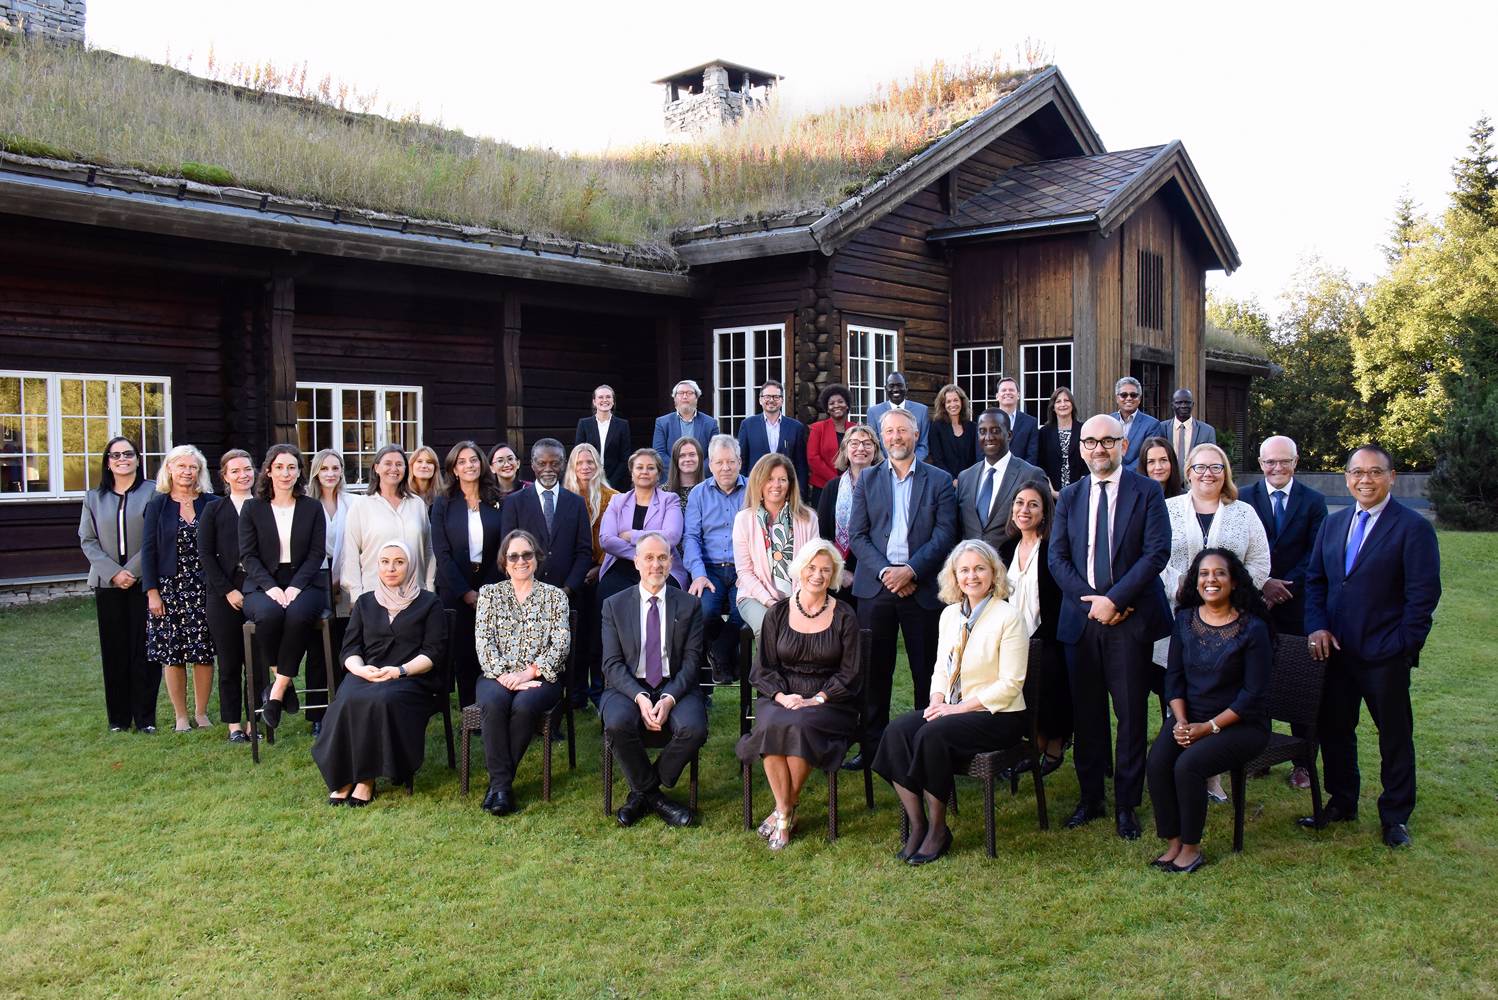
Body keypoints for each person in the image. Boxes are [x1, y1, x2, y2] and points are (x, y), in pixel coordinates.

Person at [1305, 444, 1441, 849]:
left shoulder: (1413, 528)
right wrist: (1316, 627)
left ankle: (1395, 815)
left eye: (1375, 472)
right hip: (1335, 652)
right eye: (1357, 472)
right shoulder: (1333, 524)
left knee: (1394, 735)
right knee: (1336, 731)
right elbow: (1316, 582)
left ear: (1391, 477)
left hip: (1385, 656)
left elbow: (1423, 597)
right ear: (1346, 477)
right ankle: (1342, 801)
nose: (1365, 479)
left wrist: (1402, 645)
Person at [1048, 414, 1171, 840]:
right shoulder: (1069, 497)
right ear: (1081, 448)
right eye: (1091, 442)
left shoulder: (1148, 491)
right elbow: (1057, 558)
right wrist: (1092, 604)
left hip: (1130, 620)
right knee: (1087, 715)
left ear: (1123, 445)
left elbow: (1156, 553)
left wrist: (1115, 600)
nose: (1099, 448)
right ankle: (1091, 798)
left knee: (1131, 715)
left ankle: (1127, 804)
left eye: (1107, 441)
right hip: (1081, 624)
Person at [873, 539, 1030, 865]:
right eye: (964, 570)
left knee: (933, 735)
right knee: (898, 730)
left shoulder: (1008, 616)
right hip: (953, 709)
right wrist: (936, 701)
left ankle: (939, 829)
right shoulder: (949, 616)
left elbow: (1010, 684)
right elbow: (942, 669)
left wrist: (955, 710)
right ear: (954, 577)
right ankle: (919, 825)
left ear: (993, 573)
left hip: (998, 715)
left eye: (979, 569)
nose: (972, 576)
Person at [1155, 443, 1271, 804]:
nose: (1207, 474)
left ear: (1226, 473)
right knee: (1178, 691)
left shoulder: (1244, 512)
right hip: (1178, 614)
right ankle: (1181, 763)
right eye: (1199, 467)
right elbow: (1155, 555)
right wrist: (1185, 589)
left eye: (1215, 467)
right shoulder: (1167, 509)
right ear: (1187, 472)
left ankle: (1212, 774)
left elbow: (1259, 561)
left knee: (1222, 691)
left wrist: (1228, 596)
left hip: (1231, 623)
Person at [1145, 548, 1272, 873]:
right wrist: (1181, 719)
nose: (1210, 579)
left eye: (1219, 573)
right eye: (1203, 573)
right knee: (1159, 761)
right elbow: (1173, 678)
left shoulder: (1253, 629)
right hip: (1190, 719)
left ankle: (1192, 848)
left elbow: (1252, 695)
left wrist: (1210, 727)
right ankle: (1173, 842)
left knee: (1188, 765)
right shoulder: (1185, 620)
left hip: (1241, 725)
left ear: (1234, 581)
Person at [846, 406, 959, 769]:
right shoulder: (868, 480)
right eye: (889, 432)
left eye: (902, 431)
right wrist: (887, 573)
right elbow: (858, 536)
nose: (896, 437)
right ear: (883, 438)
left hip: (922, 588)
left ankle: (929, 745)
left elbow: (945, 535)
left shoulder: (939, 480)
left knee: (928, 671)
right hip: (876, 589)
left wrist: (910, 571)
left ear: (915, 435)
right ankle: (872, 747)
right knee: (873, 673)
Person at [736, 540, 862, 850]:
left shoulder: (845, 615)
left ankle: (782, 813)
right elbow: (763, 668)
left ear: (834, 576)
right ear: (799, 570)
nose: (817, 575)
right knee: (772, 724)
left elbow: (850, 673)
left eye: (825, 570)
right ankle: (786, 810)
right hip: (781, 695)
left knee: (802, 724)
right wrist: (781, 696)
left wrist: (817, 698)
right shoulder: (777, 613)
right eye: (811, 568)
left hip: (829, 701)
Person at [312, 541, 448, 806]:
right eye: (385, 562)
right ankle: (344, 775)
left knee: (382, 700)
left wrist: (399, 671)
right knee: (346, 699)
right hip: (367, 673)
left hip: (411, 677)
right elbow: (350, 648)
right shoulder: (365, 603)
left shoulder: (429, 603)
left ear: (410, 565)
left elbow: (433, 653)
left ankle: (367, 778)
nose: (391, 568)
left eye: (399, 562)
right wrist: (361, 669)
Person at [600, 532, 708, 828]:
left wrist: (669, 697)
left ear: (671, 561)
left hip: (675, 685)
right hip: (627, 687)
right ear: (636, 562)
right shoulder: (614, 605)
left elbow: (691, 661)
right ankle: (655, 797)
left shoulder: (688, 605)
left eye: (662, 557)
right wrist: (639, 696)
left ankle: (642, 793)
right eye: (648, 557)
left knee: (694, 728)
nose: (656, 564)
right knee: (617, 724)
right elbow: (611, 664)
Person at [1239, 435, 1328, 790]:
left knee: (1298, 683)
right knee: (1255, 680)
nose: (1277, 468)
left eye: (1284, 462)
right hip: (1254, 605)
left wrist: (1282, 586)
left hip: (1296, 605)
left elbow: (1317, 553)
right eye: (1270, 462)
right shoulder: (1243, 499)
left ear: (1295, 461)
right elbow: (1238, 550)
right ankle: (1257, 755)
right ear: (1260, 463)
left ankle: (1303, 762)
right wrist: (1262, 584)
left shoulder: (1314, 501)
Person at [473, 529, 571, 816]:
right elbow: (483, 640)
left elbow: (561, 643)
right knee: (494, 702)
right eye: (513, 556)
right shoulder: (489, 594)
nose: (520, 561)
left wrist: (528, 674)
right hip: (496, 675)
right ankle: (502, 786)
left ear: (536, 558)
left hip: (541, 677)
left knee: (525, 706)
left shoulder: (554, 597)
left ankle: (498, 786)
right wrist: (505, 676)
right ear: (504, 562)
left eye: (526, 554)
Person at [239, 444, 328, 732]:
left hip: (305, 581)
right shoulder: (252, 508)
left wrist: (296, 587)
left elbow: (317, 554)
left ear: (299, 471)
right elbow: (248, 555)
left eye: (292, 467)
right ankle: (284, 682)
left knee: (298, 615)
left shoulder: (312, 507)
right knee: (268, 615)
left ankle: (275, 693)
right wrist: (270, 587)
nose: (285, 473)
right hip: (262, 582)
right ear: (268, 470)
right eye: (279, 467)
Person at [79, 437, 158, 732]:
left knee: (145, 652)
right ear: (107, 462)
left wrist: (132, 571)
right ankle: (118, 720)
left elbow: (155, 538)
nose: (122, 459)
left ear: (138, 459)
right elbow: (87, 540)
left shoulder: (153, 493)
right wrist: (114, 572)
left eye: (128, 454)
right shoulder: (93, 498)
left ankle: (146, 719)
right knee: (115, 652)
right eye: (115, 455)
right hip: (108, 584)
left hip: (143, 583)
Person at [141, 444, 218, 733]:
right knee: (172, 654)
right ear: (170, 469)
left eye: (193, 467)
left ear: (200, 472)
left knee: (202, 652)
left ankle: (200, 713)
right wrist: (151, 592)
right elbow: (148, 551)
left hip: (204, 587)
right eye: (181, 466)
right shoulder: (158, 505)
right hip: (168, 588)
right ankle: (181, 716)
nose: (187, 472)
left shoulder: (211, 503)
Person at [998, 484, 1070, 774]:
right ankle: (1034, 743)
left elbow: (1059, 600)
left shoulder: (1054, 548)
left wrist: (1035, 638)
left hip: (1048, 636)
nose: (1024, 510)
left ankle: (1053, 744)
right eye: (1019, 503)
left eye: (1033, 505)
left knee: (1048, 685)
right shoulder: (1005, 549)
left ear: (1044, 513)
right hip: (1013, 636)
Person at [430, 440, 505, 707]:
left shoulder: (496, 499)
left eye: (473, 459)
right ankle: (469, 710)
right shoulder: (443, 503)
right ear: (454, 468)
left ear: (481, 463)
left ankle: (492, 706)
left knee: (490, 648)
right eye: (462, 462)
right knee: (462, 651)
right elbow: (442, 552)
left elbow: (503, 547)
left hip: (491, 583)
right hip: (454, 586)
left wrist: (485, 591)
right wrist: (465, 592)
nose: (468, 465)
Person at [199, 449, 262, 741]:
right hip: (222, 591)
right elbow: (205, 555)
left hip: (260, 588)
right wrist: (228, 591)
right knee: (229, 661)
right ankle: (234, 725)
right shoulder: (214, 509)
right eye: (235, 471)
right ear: (224, 476)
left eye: (247, 469)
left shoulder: (265, 506)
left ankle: (256, 721)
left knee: (258, 661)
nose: (242, 475)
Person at [734, 453, 820, 640]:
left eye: (782, 479)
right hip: (755, 596)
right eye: (770, 479)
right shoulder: (744, 519)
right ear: (759, 482)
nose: (776, 485)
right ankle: (768, 671)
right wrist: (770, 601)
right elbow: (744, 571)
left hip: (801, 595)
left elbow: (812, 568)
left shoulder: (808, 518)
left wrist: (796, 602)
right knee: (769, 626)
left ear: (790, 484)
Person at [683, 434, 747, 685]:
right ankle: (728, 657)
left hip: (744, 568)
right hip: (710, 569)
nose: (725, 468)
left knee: (743, 613)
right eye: (719, 462)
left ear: (739, 462)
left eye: (730, 462)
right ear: (710, 465)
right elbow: (691, 538)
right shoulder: (699, 494)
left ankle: (719, 653)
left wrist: (751, 572)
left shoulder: (753, 489)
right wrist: (698, 573)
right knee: (705, 611)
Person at [499, 438, 592, 599]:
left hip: (567, 594)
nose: (548, 469)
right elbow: (507, 549)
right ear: (533, 464)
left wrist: (569, 588)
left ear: (563, 464)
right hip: (525, 594)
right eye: (542, 463)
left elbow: (584, 551)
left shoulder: (576, 503)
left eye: (554, 463)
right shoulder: (514, 502)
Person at [342, 444, 435, 605]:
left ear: (406, 469)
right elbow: (350, 554)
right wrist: (357, 596)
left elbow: (428, 550)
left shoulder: (417, 504)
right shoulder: (361, 505)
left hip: (415, 595)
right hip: (374, 596)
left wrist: (428, 589)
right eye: (388, 463)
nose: (394, 468)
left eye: (399, 464)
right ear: (376, 468)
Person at [563, 443, 617, 709]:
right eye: (580, 463)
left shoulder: (613, 498)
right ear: (572, 467)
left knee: (598, 637)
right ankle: (575, 694)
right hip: (571, 577)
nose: (585, 467)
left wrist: (598, 568)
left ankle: (598, 690)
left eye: (590, 462)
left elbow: (615, 540)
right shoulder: (563, 498)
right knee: (574, 637)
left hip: (602, 574)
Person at [304, 448, 354, 735]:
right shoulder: (308, 504)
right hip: (316, 581)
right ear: (316, 473)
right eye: (325, 469)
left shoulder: (353, 503)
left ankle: (344, 707)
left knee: (345, 645)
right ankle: (316, 714)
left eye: (336, 468)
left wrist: (342, 579)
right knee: (317, 651)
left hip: (347, 581)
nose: (331, 474)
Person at [597, 448, 686, 606]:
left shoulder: (670, 500)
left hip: (660, 567)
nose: (644, 471)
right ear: (632, 472)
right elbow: (606, 540)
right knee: (609, 597)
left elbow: (671, 536)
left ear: (658, 474)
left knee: (664, 598)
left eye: (651, 468)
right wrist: (644, 555)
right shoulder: (617, 501)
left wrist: (632, 535)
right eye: (639, 467)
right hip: (621, 565)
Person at [956, 409, 1049, 550]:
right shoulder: (965, 477)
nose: (988, 437)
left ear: (1009, 435)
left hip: (1013, 567)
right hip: (972, 567)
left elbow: (1045, 527)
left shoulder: (1031, 475)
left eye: (995, 431)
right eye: (982, 431)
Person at [816, 423, 880, 607]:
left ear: (875, 451)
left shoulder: (884, 486)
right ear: (845, 450)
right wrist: (840, 571)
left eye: (867, 443)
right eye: (854, 443)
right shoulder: (832, 488)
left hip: (875, 574)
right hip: (840, 573)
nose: (861, 448)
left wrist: (873, 571)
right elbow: (823, 535)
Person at [737, 379, 810, 493]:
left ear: (782, 400)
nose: (771, 400)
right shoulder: (748, 425)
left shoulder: (796, 427)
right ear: (760, 400)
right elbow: (742, 461)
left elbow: (801, 466)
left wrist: (800, 494)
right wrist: (743, 492)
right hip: (756, 489)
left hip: (786, 490)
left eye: (776, 397)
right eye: (767, 396)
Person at [574, 384, 632, 490]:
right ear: (594, 402)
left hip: (615, 482)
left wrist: (610, 483)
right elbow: (578, 454)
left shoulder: (623, 425)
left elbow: (625, 458)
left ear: (613, 401)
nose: (605, 400)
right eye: (600, 397)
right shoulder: (584, 424)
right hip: (588, 480)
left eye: (608, 397)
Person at [865, 371, 931, 462]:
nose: (895, 389)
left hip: (915, 467)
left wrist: (911, 464)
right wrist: (889, 465)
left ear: (906, 387)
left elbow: (924, 445)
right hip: (885, 468)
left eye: (899, 385)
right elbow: (875, 444)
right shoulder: (873, 412)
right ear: (885, 388)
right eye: (891, 386)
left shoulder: (922, 411)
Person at [652, 379, 718, 466]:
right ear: (674, 398)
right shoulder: (662, 423)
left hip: (702, 477)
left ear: (696, 398)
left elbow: (715, 453)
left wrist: (698, 471)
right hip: (672, 476)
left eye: (689, 393)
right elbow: (658, 453)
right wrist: (677, 470)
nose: (685, 396)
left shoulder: (710, 423)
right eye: (680, 393)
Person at [806, 384, 852, 499]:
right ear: (827, 409)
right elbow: (813, 458)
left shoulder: (855, 428)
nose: (836, 405)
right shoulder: (817, 428)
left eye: (840, 401)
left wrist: (849, 480)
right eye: (831, 403)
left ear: (847, 405)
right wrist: (836, 480)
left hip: (851, 486)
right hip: (823, 487)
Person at [1111, 376, 1164, 469]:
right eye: (1124, 395)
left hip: (1138, 478)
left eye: (1133, 395)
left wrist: (1123, 473)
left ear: (1139, 399)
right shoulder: (1108, 421)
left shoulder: (1152, 425)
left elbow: (1149, 455)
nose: (1129, 398)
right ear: (1117, 398)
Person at [1038, 386, 1082, 495]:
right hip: (1052, 492)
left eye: (1066, 400)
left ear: (1072, 404)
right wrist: (1052, 491)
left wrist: (1079, 489)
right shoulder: (1044, 432)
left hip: (1079, 492)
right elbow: (1041, 464)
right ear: (1053, 407)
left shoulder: (1083, 429)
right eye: (1058, 401)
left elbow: (1088, 462)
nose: (1063, 404)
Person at [927, 383, 976, 483]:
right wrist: (952, 480)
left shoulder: (973, 427)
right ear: (943, 405)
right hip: (945, 482)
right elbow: (937, 459)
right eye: (948, 402)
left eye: (956, 400)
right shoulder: (936, 428)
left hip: (970, 482)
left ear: (962, 402)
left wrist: (968, 479)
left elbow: (976, 457)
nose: (953, 404)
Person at [992, 376, 1039, 465]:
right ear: (997, 396)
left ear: (1018, 395)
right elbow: (981, 454)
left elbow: (1032, 456)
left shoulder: (1031, 423)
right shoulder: (985, 421)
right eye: (1004, 390)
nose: (1008, 392)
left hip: (1022, 476)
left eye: (1011, 390)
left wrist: (1021, 475)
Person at [1166, 389, 1215, 465]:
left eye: (1187, 402)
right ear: (1172, 405)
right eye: (1179, 403)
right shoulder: (1161, 428)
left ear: (1192, 404)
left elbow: (1211, 458)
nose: (1183, 406)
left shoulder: (1207, 431)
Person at [666, 436, 705, 511]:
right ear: (675, 460)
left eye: (692, 454)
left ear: (699, 457)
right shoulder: (663, 492)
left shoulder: (710, 491)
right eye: (682, 455)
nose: (687, 459)